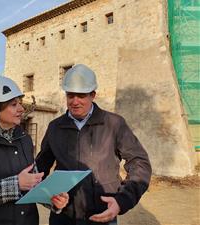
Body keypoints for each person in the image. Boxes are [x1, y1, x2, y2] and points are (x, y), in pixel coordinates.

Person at [36, 64, 152, 225]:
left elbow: (140, 163)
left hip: (103, 215)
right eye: (70, 95)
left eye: (81, 95)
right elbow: (40, 169)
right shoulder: (55, 127)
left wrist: (122, 199)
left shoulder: (114, 124)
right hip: (63, 217)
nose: (75, 101)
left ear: (93, 95)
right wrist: (48, 195)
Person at [0, 75, 68, 225]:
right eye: (14, 105)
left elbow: (32, 184)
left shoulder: (25, 139)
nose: (21, 109)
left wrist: (51, 198)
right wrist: (15, 184)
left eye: (20, 103)